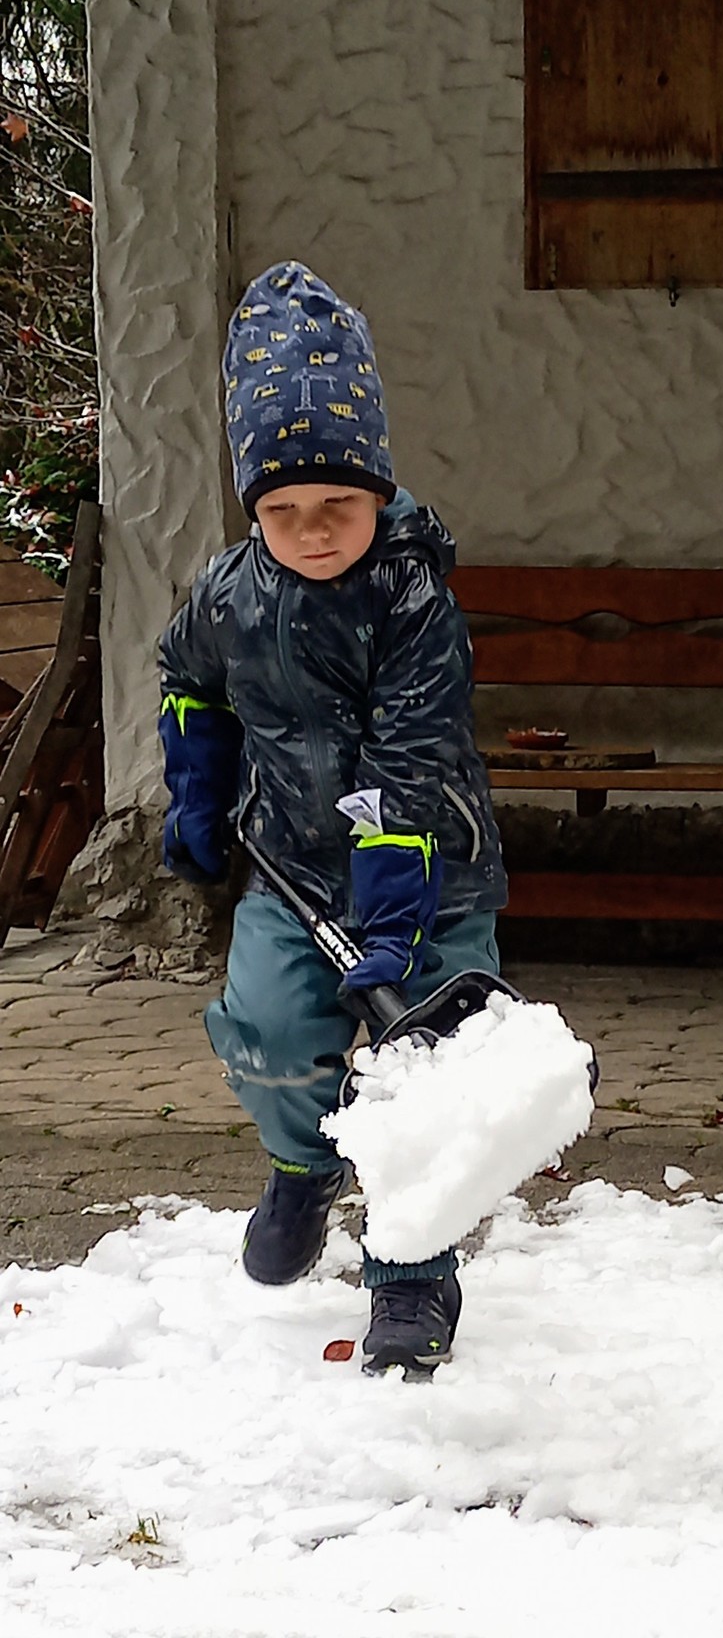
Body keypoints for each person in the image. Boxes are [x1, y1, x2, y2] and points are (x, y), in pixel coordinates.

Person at [158, 260, 507, 1373]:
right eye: (283, 512)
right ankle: (304, 1166)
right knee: (267, 1032)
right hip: (291, 870)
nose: (312, 532)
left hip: (429, 875)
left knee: (423, 1073)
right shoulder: (228, 594)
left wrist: (393, 923)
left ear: (377, 492)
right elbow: (187, 681)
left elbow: (408, 760)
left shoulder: (412, 598)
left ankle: (410, 1275)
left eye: (338, 508)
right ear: (253, 507)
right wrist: (198, 794)